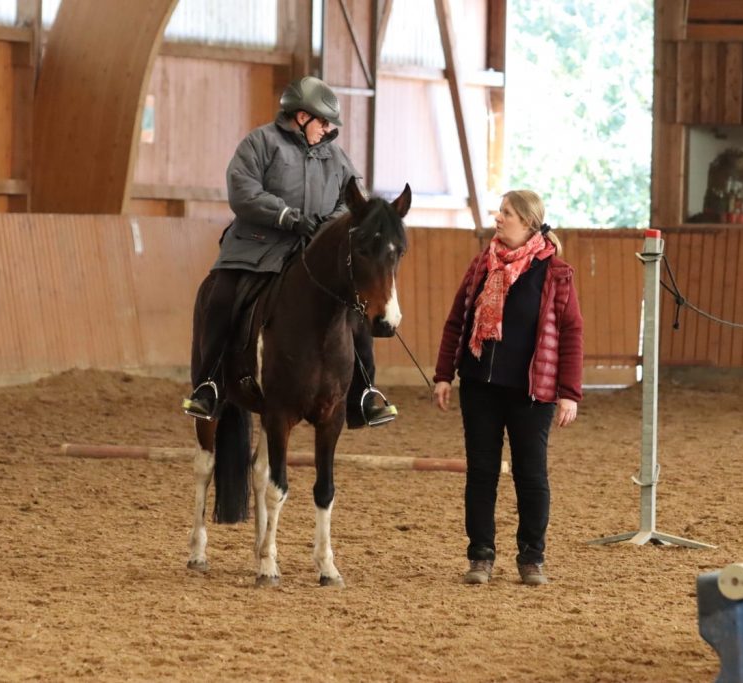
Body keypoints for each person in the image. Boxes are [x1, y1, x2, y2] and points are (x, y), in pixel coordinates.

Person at [183, 75, 397, 428]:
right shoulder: (260, 144)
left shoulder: (336, 157)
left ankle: (365, 393)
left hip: (312, 253)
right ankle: (210, 385)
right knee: (220, 300)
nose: (327, 130)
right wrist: (287, 216)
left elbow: (353, 204)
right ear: (301, 117)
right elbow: (243, 191)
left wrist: (327, 227)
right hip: (255, 248)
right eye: (323, 122)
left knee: (353, 313)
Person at [432, 190, 583, 586]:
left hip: (532, 394)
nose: (498, 219)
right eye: (500, 212)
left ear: (529, 223)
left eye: (507, 213)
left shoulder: (555, 272)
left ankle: (532, 557)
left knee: (530, 474)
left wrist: (569, 392)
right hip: (480, 386)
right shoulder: (482, 264)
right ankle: (480, 555)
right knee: (481, 473)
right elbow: (457, 321)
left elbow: (571, 333)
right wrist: (444, 374)